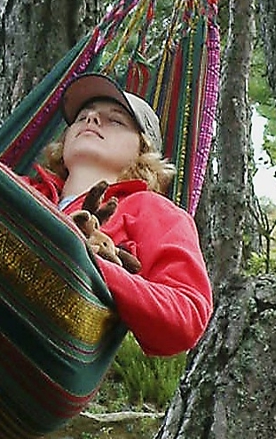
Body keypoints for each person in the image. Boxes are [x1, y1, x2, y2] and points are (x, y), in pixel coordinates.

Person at [24, 72, 213, 356]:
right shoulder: (21, 190)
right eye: (82, 117)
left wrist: (88, 266)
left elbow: (186, 315)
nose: (91, 120)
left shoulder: (150, 210)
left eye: (114, 120)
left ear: (142, 150)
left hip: (43, 353)